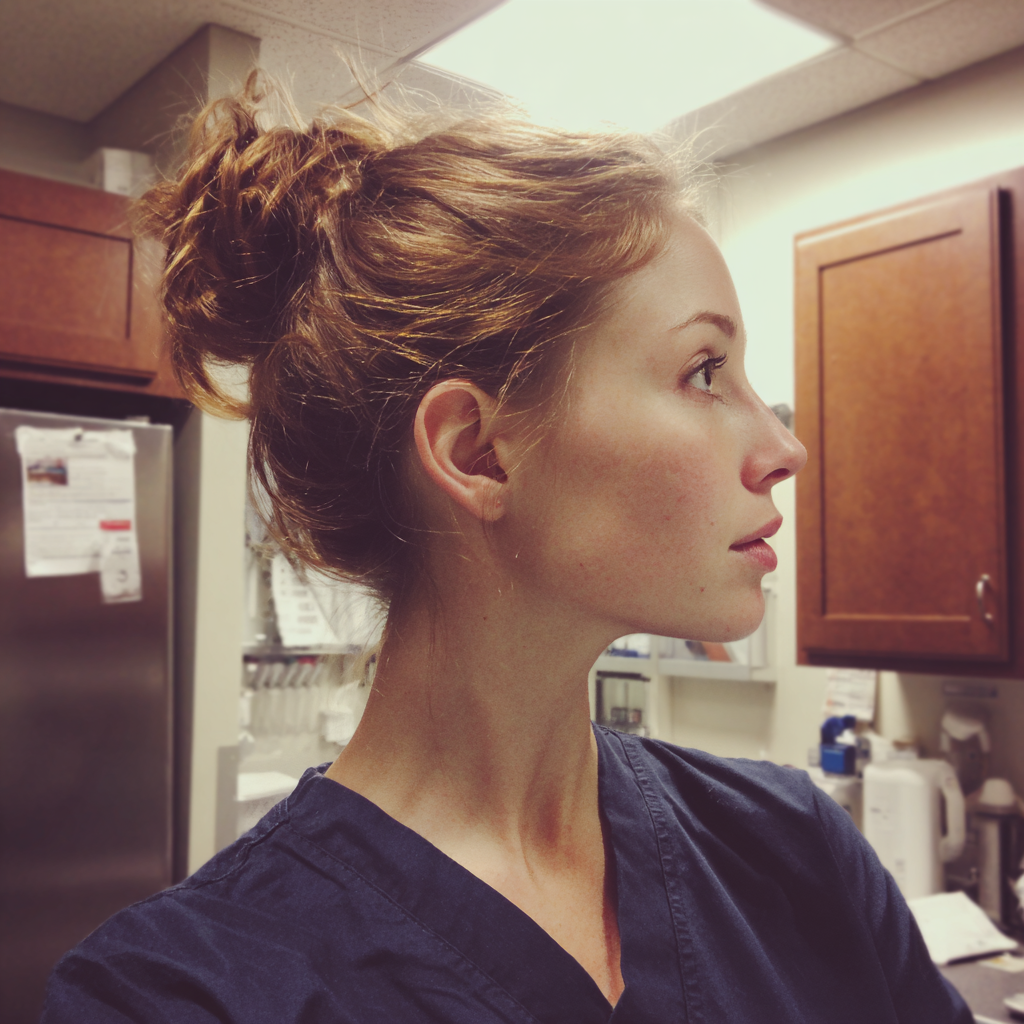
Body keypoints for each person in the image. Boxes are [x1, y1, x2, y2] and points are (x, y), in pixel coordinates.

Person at [42, 76, 971, 1024]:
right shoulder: (180, 996)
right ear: (477, 451)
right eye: (703, 372)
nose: (784, 450)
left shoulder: (795, 852)